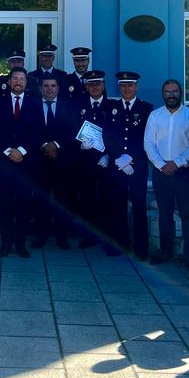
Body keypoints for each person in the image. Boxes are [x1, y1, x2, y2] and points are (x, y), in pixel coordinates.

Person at [144, 79, 189, 269]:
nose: (171, 95)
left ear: (181, 93)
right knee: (164, 214)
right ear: (163, 94)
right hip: (161, 173)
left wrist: (176, 163)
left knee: (186, 214)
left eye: (174, 91)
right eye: (167, 92)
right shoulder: (154, 116)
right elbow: (148, 143)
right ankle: (165, 251)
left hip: (183, 172)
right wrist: (161, 164)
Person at [0, 67, 43, 258]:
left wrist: (21, 151)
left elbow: (38, 132)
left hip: (25, 162)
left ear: (26, 82)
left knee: (23, 204)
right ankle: (6, 243)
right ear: (10, 81)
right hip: (5, 162)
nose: (18, 81)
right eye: (15, 78)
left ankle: (20, 243)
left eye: (22, 78)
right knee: (5, 205)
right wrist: (8, 151)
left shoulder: (35, 104)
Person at [105, 71, 155, 259]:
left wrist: (131, 158)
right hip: (116, 166)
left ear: (136, 87)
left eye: (130, 85)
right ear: (119, 87)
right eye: (123, 85)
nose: (126, 89)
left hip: (137, 167)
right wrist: (118, 157)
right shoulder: (111, 107)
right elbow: (107, 135)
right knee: (116, 205)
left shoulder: (146, 109)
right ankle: (119, 243)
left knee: (139, 206)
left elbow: (148, 138)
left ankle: (141, 248)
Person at [31, 75, 76, 250]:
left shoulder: (68, 106)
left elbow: (73, 130)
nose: (49, 89)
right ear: (40, 88)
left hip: (61, 159)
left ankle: (61, 236)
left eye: (53, 85)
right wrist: (44, 145)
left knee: (61, 200)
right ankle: (41, 235)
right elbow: (29, 129)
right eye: (46, 86)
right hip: (39, 160)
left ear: (58, 88)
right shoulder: (32, 105)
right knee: (40, 199)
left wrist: (55, 145)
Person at [75, 69, 115, 248]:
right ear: (86, 86)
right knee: (87, 199)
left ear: (103, 85)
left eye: (98, 83)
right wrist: (80, 145)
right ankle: (89, 236)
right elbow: (71, 130)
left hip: (106, 161)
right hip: (85, 160)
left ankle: (107, 236)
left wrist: (109, 155)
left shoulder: (113, 106)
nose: (95, 87)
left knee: (107, 199)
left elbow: (118, 134)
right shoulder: (79, 105)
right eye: (91, 84)